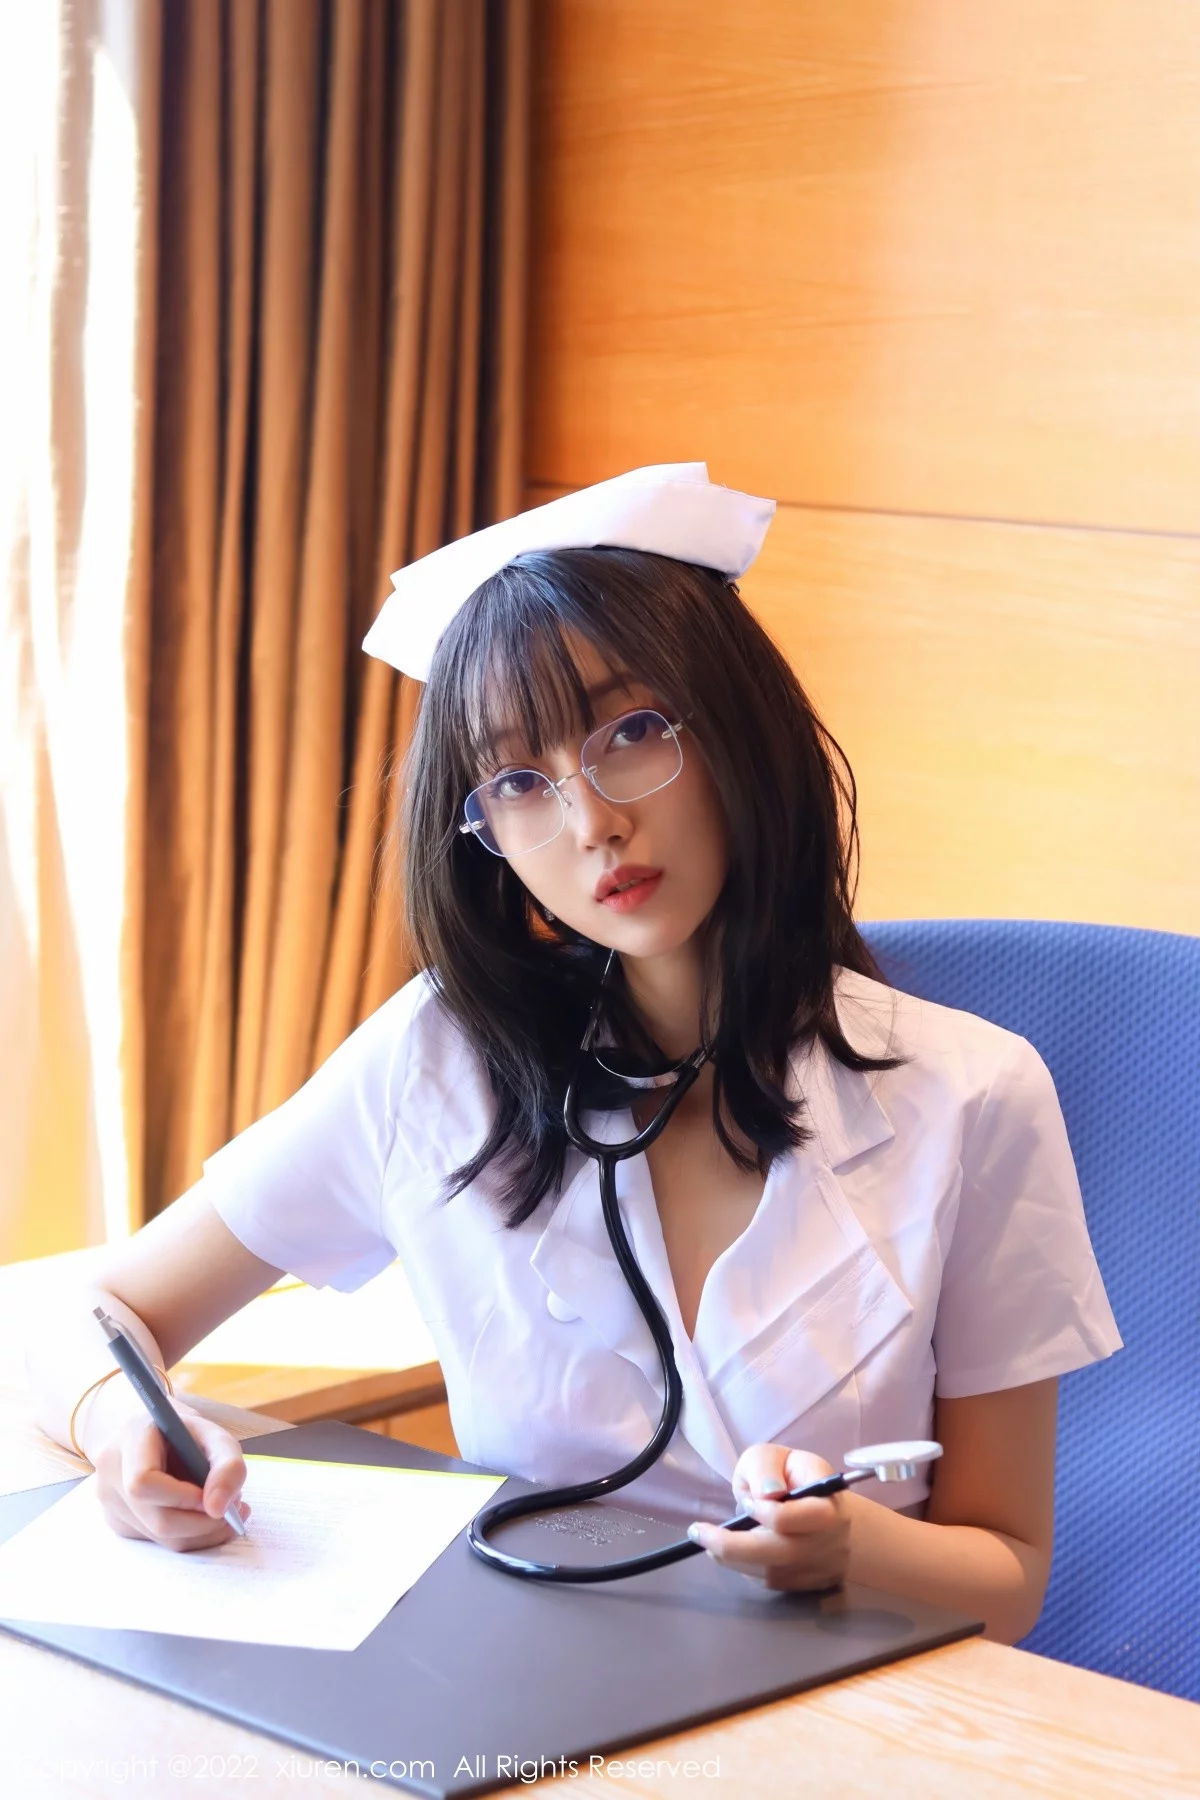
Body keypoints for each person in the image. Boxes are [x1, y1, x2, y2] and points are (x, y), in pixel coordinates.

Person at [26, 464, 1122, 1643]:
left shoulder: (976, 1094)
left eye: (632, 732)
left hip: (851, 1699)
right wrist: (119, 1429)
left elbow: (1010, 1575)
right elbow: (82, 1316)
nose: (593, 820)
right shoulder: (440, 1060)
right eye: (518, 781)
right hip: (536, 1688)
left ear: (740, 726)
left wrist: (855, 1547)